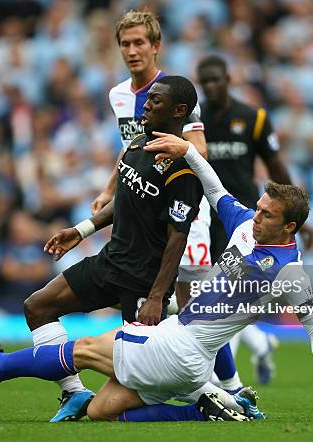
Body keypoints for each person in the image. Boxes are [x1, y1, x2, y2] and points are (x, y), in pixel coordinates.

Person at [0, 136, 313, 423]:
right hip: (189, 359)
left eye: (267, 214)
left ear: (290, 227)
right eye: (260, 208)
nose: (257, 215)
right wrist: (188, 150)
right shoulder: (247, 226)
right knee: (101, 410)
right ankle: (202, 410)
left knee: (85, 349)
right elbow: (216, 190)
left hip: (180, 347)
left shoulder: (290, 273)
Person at [14, 75, 204, 422]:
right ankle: (72, 392)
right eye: (146, 99)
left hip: (143, 282)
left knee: (124, 395)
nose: (145, 105)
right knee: (37, 307)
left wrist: (157, 296)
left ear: (178, 111)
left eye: (155, 102)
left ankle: (210, 401)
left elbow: (178, 238)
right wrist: (81, 230)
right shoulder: (136, 143)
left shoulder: (183, 169)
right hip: (109, 262)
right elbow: (123, 201)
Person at [94, 8, 245, 397]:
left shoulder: (175, 92)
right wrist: (110, 189)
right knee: (157, 297)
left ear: (155, 46)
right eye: (125, 44)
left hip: (183, 211)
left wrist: (173, 155)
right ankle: (189, 382)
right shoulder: (118, 95)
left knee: (193, 299)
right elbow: (130, 146)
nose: (131, 51)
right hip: (144, 210)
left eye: (139, 42)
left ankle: (232, 386)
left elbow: (198, 148)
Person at [196, 55, 301, 384]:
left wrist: (298, 214)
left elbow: (274, 165)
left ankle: (227, 380)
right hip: (206, 215)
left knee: (232, 292)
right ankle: (260, 343)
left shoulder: (253, 118)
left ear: (228, 78)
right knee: (217, 291)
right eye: (205, 81)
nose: (211, 87)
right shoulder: (194, 121)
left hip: (248, 220)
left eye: (216, 79)